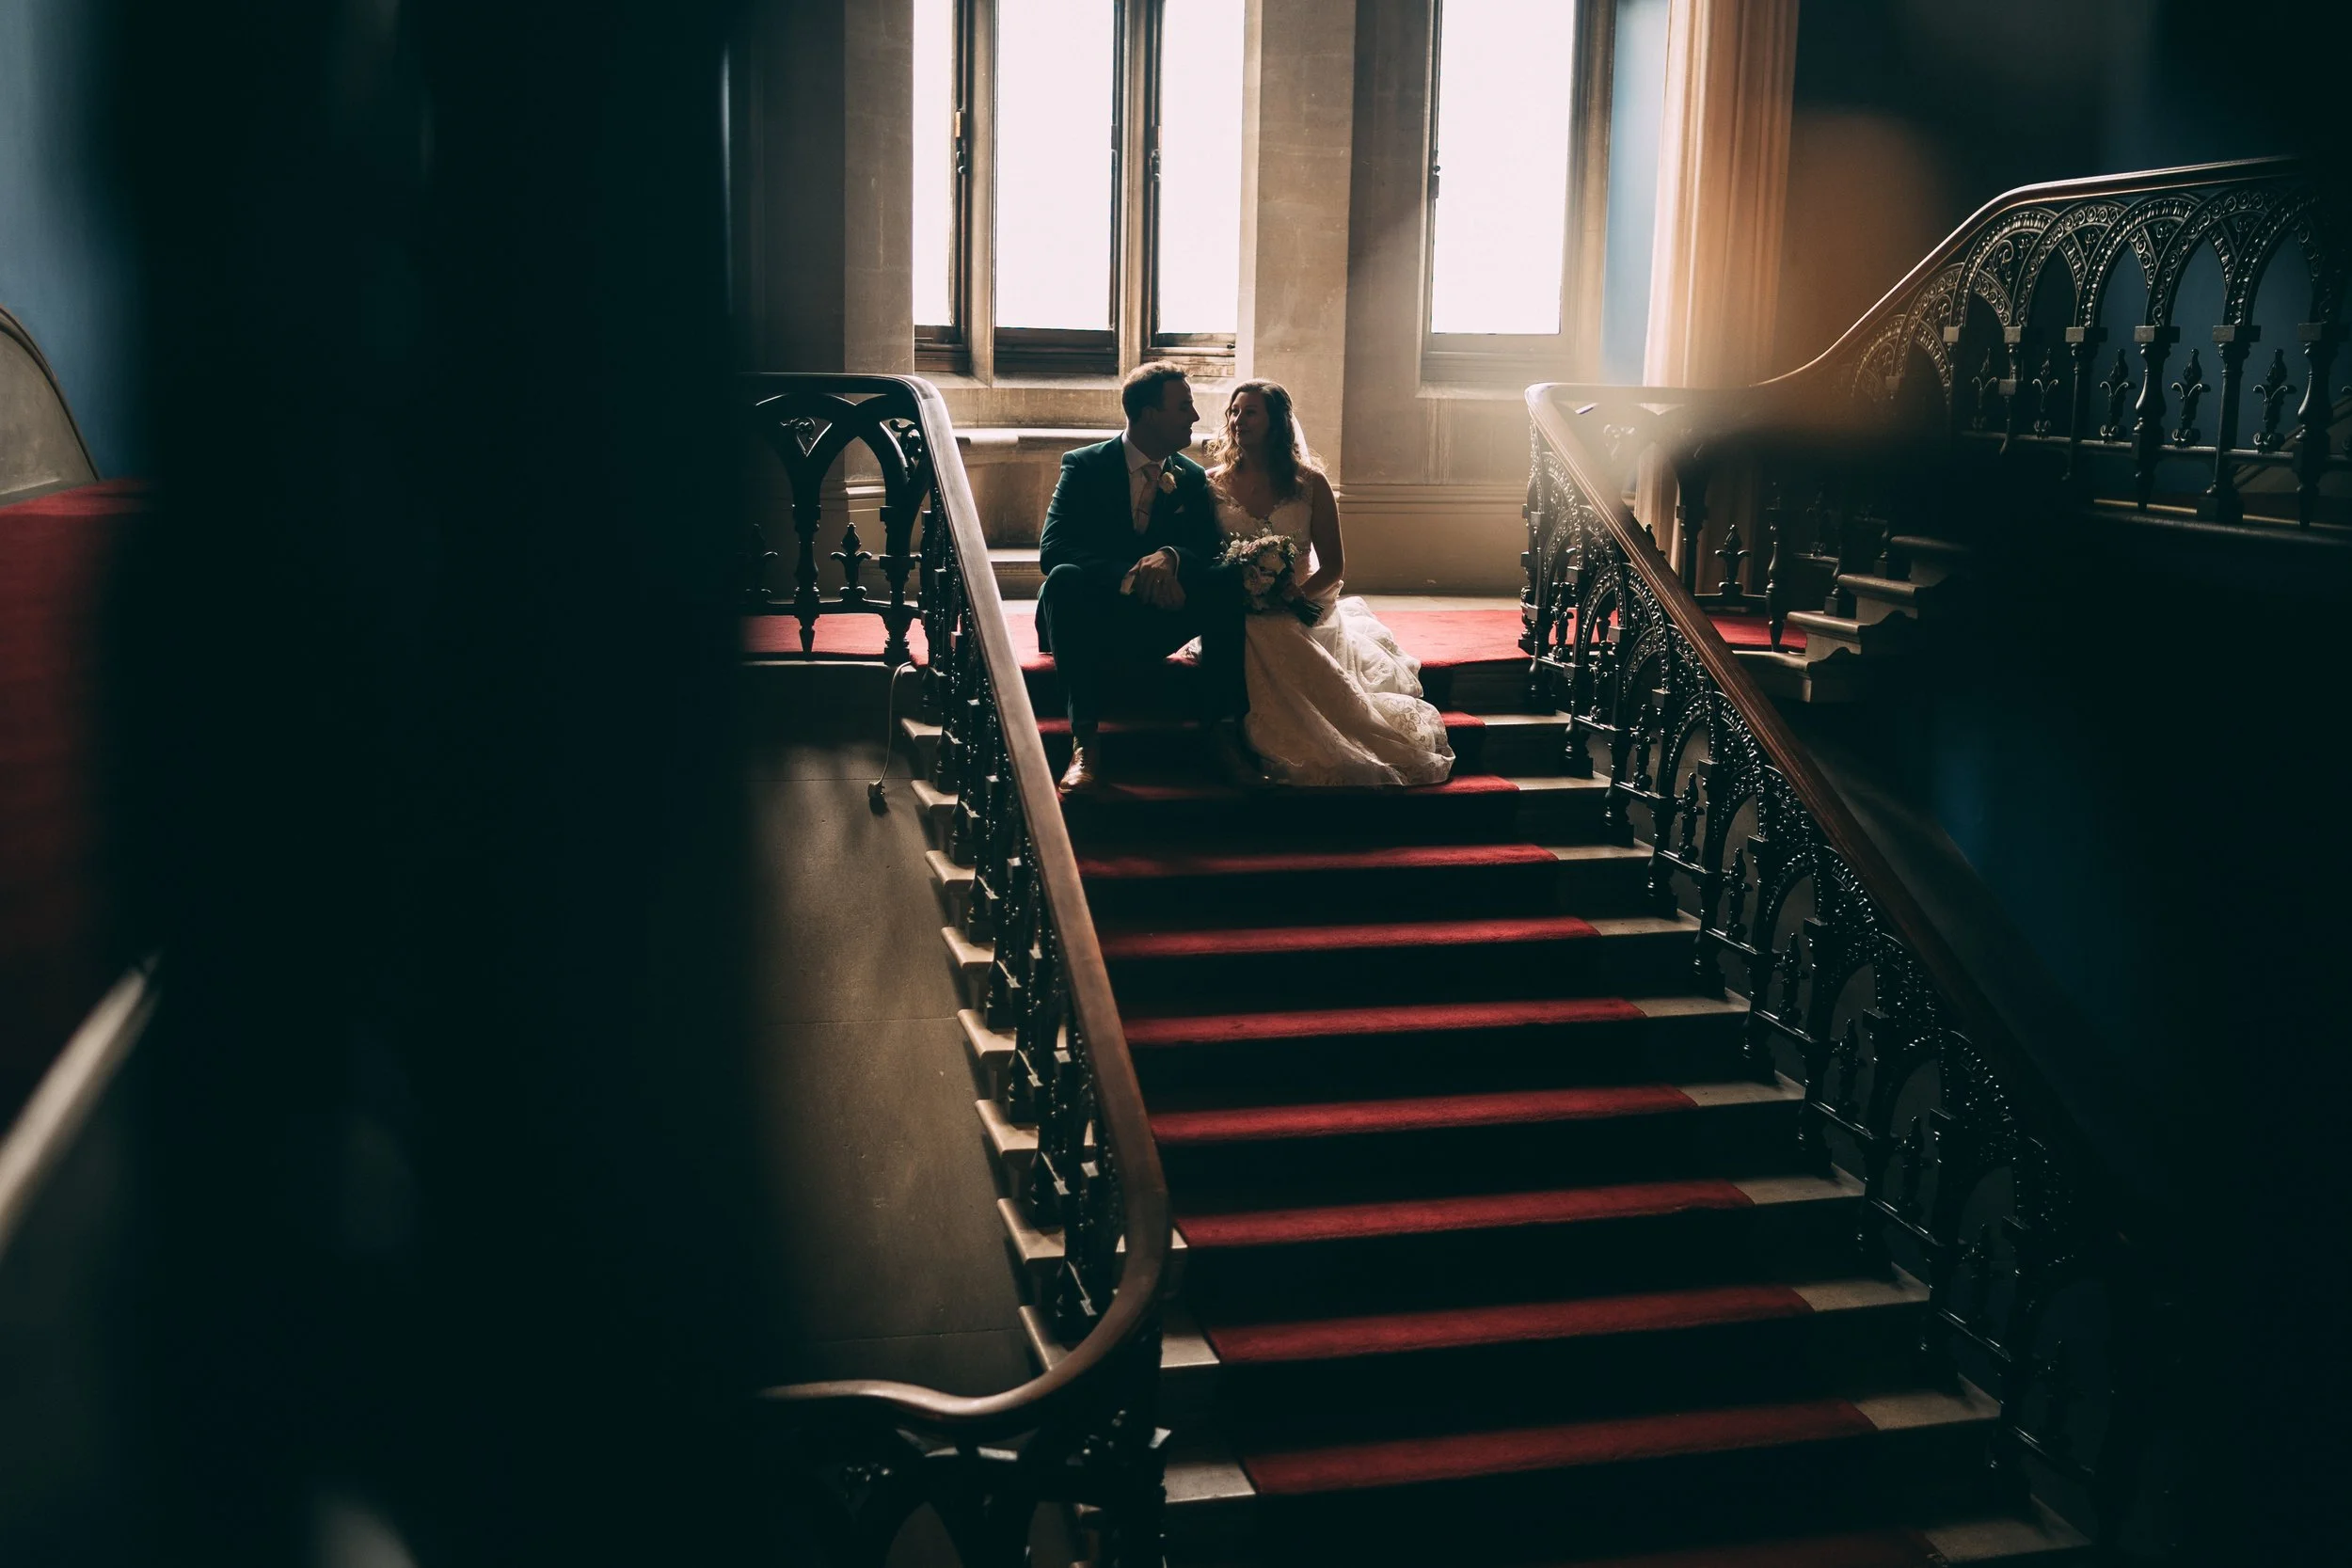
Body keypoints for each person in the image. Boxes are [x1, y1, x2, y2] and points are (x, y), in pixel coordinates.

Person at [1206, 380, 1454, 787]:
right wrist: (1244, 592)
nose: (1237, 420)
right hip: (1238, 605)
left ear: (1276, 423)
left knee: (1277, 632)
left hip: (1302, 602)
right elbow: (1209, 556)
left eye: (1250, 412)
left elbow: (1334, 567)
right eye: (1234, 412)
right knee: (1248, 629)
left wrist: (1290, 598)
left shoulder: (1310, 484)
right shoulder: (1212, 482)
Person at [1036, 361, 1256, 795]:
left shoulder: (1190, 477)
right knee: (1063, 577)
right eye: (1184, 406)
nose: (1194, 417)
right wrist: (1133, 576)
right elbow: (1053, 548)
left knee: (1229, 579)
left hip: (1159, 617)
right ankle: (1085, 743)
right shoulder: (1084, 466)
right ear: (1150, 414)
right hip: (1094, 613)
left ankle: (1223, 734)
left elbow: (1208, 550)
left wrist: (1171, 557)